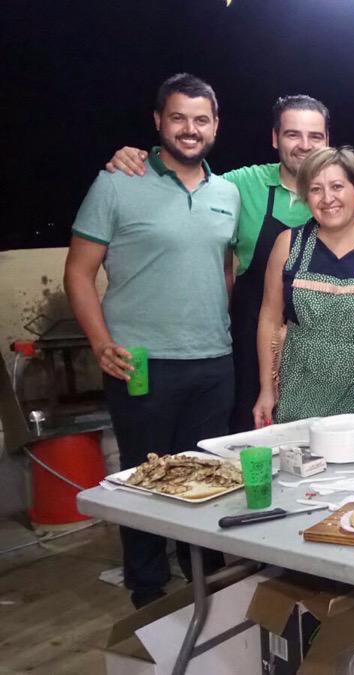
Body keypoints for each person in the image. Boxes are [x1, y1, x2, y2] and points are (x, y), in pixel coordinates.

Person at [65, 73, 236, 607]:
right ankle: (147, 591)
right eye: (179, 117)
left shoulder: (226, 191)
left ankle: (205, 582)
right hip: (139, 361)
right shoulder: (118, 183)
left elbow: (223, 267)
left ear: (215, 126)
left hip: (213, 360)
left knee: (207, 482)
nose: (190, 129)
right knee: (144, 480)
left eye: (201, 119)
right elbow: (78, 272)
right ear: (159, 121)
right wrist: (99, 344)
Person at [102, 95, 354, 432]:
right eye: (292, 135)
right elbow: (186, 178)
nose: (304, 146)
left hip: (332, 364)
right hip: (251, 353)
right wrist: (140, 159)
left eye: (314, 136)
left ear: (327, 141)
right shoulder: (238, 186)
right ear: (275, 138)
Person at [251, 147, 354, 426]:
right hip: (295, 395)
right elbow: (270, 319)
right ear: (307, 198)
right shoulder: (288, 245)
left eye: (337, 186)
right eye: (316, 189)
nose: (327, 198)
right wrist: (267, 391)